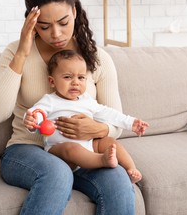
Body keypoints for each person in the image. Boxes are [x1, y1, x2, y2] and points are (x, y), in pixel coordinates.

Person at [0, 0, 135, 215]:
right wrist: (22, 52)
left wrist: (95, 130)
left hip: (85, 153)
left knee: (118, 181)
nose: (56, 34)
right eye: (44, 26)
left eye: (63, 23)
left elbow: (115, 123)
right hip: (28, 151)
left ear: (75, 11)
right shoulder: (16, 52)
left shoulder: (97, 59)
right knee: (57, 173)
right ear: (32, 22)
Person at [24, 50, 149, 183]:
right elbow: (36, 112)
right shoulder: (50, 100)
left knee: (109, 142)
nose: (75, 82)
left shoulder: (86, 100)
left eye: (81, 77)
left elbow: (108, 114)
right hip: (60, 150)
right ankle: (102, 160)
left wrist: (131, 123)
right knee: (71, 148)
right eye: (67, 77)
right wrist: (32, 120)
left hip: (89, 146)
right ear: (52, 81)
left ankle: (131, 169)